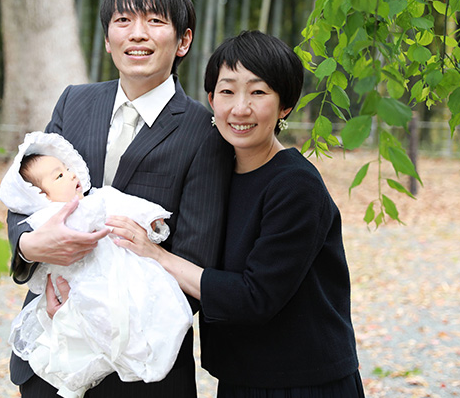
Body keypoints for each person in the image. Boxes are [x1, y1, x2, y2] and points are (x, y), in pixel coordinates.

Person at [6, 0, 234, 398]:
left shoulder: (205, 132)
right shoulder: (74, 102)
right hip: (49, 351)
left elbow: (196, 255)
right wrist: (29, 246)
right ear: (108, 38)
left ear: (183, 40)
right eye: (123, 20)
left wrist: (94, 317)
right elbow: (27, 193)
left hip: (138, 366)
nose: (137, 33)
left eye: (155, 21)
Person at [102, 31, 366, 397]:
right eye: (227, 91)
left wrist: (157, 256)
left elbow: (255, 297)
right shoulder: (214, 173)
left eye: (258, 92)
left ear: (285, 105)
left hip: (303, 382)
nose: (240, 108)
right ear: (211, 100)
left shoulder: (296, 186)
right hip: (240, 377)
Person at [0, 131, 193, 398]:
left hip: (117, 272)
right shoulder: (46, 219)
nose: (71, 175)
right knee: (87, 327)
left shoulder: (97, 199)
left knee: (138, 310)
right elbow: (32, 248)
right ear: (39, 195)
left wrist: (151, 221)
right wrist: (30, 248)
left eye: (68, 169)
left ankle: (137, 351)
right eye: (59, 176)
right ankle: (80, 375)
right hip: (78, 288)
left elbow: (124, 205)